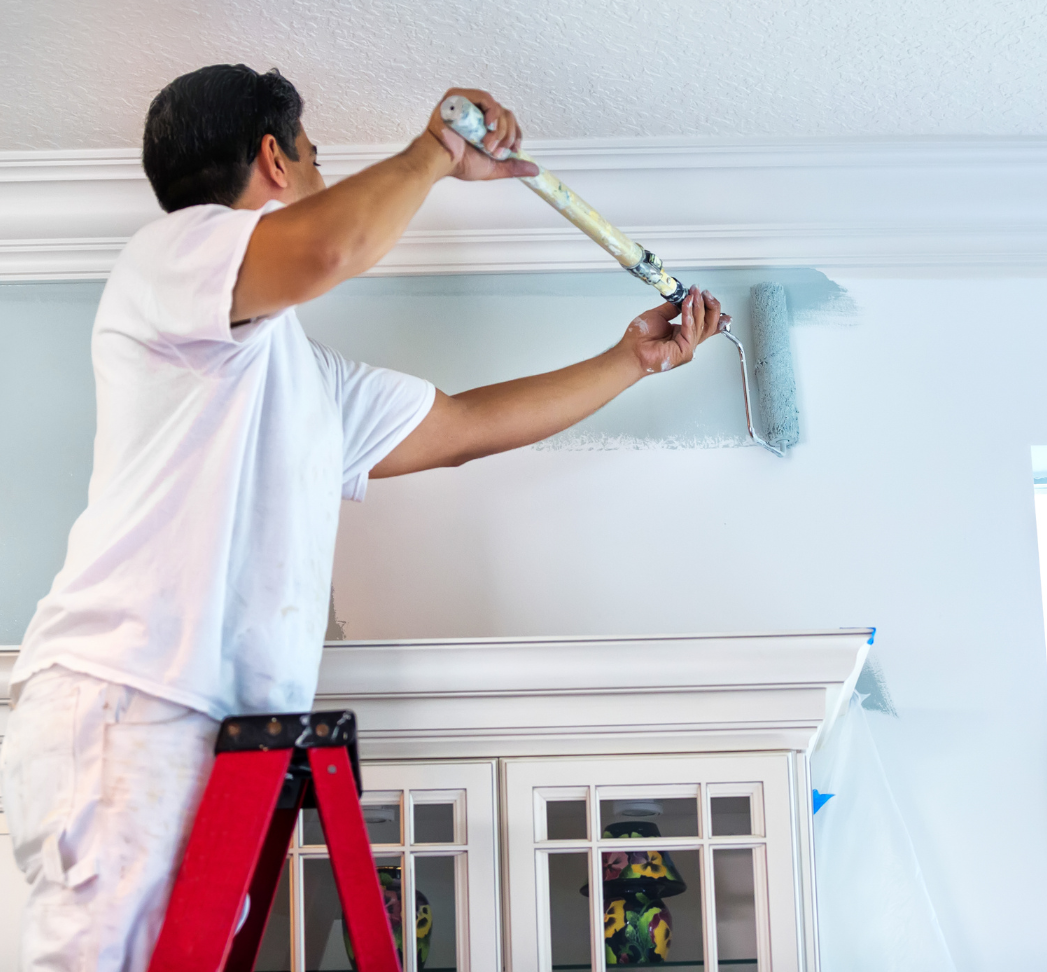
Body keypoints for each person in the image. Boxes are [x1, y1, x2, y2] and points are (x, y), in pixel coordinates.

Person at [0, 65, 728, 971]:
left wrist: (632, 361)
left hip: (222, 732)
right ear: (274, 160)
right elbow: (327, 250)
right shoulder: (170, 257)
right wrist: (436, 151)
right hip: (132, 694)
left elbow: (462, 427)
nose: (322, 176)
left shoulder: (300, 379)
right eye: (314, 157)